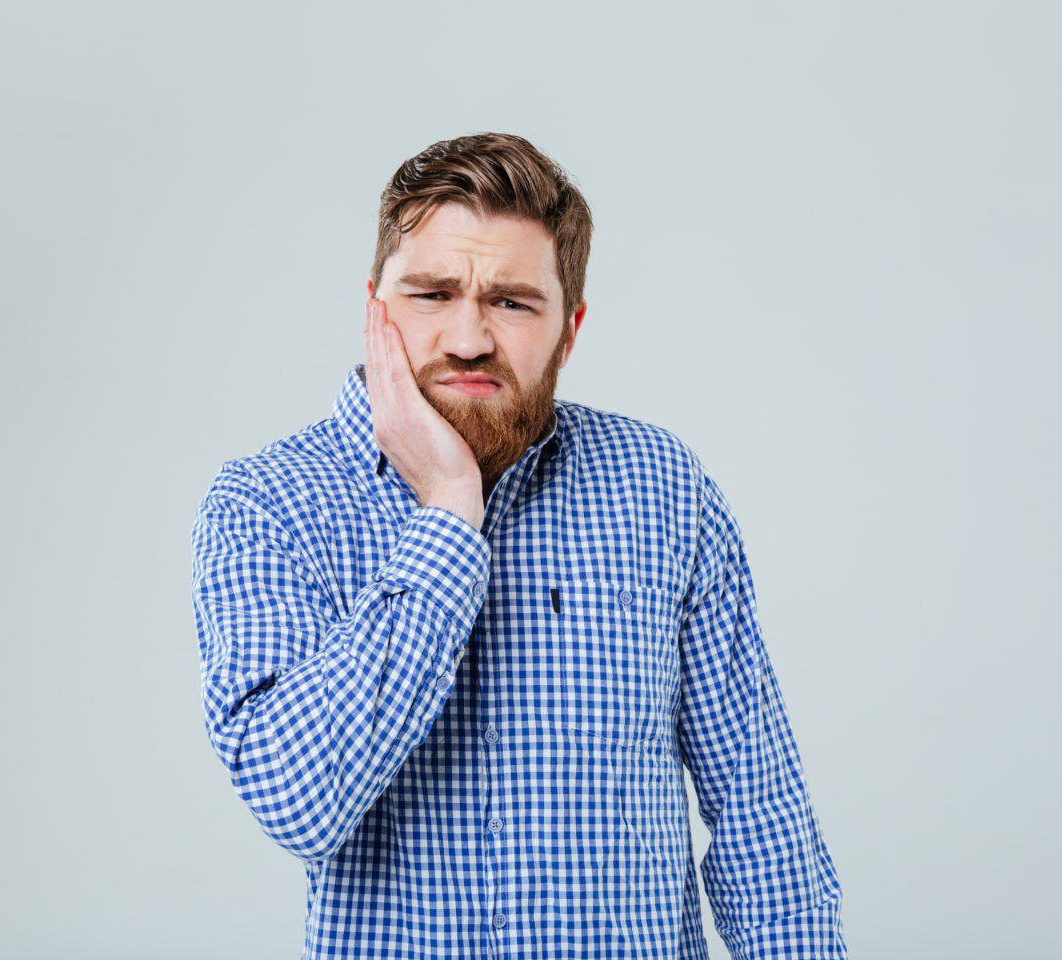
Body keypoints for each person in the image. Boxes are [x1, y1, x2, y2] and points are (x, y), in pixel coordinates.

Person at [190, 132, 848, 959]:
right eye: (432, 293)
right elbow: (298, 797)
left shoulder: (663, 488)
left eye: (511, 302)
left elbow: (762, 814)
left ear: (568, 332)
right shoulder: (268, 503)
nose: (468, 338)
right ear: (374, 311)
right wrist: (448, 514)